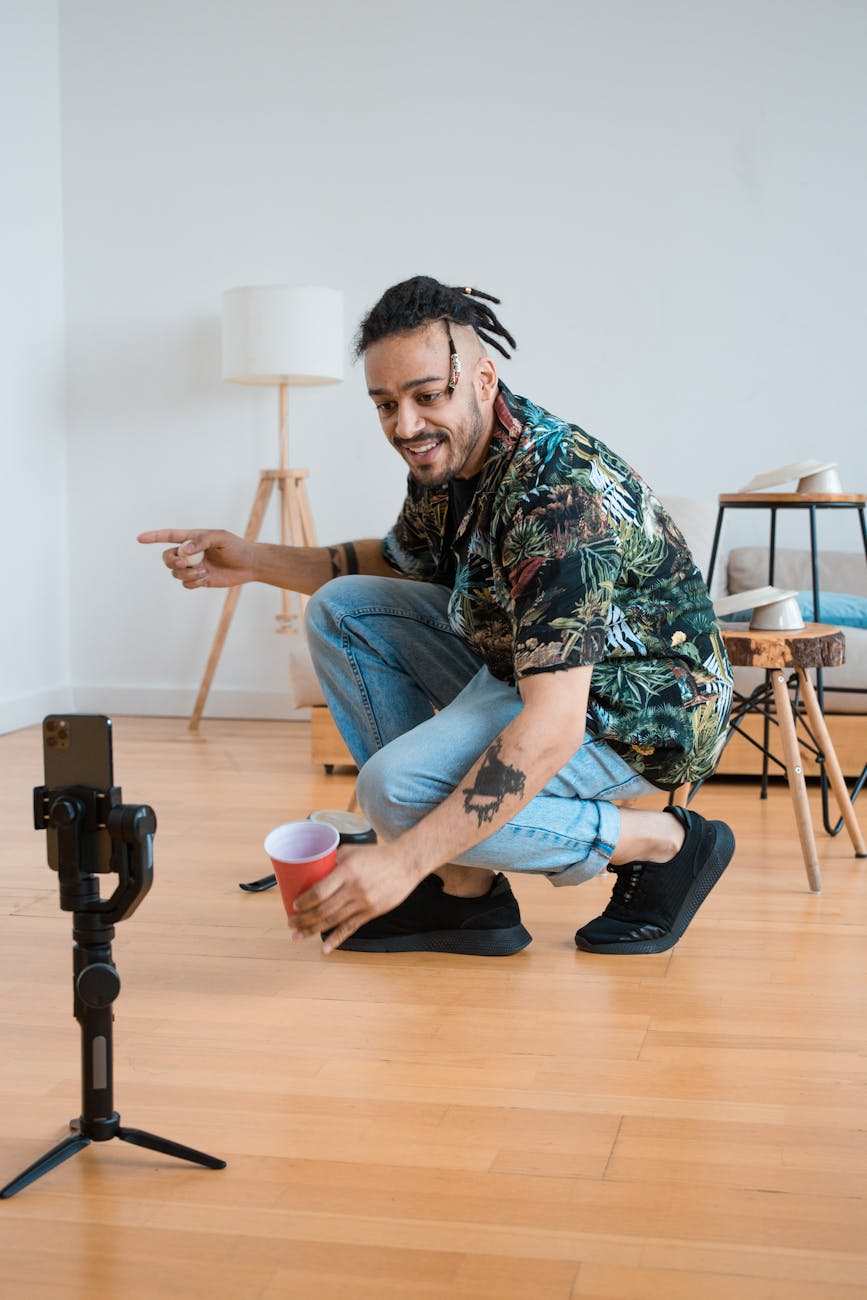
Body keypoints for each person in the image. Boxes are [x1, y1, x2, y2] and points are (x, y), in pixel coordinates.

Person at [139, 275, 734, 959]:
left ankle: (665, 843)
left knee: (394, 793)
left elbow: (553, 724)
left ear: (482, 379)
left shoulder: (554, 496)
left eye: (427, 396)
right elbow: (396, 563)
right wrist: (251, 559)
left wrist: (400, 859)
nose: (405, 426)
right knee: (344, 610)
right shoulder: (450, 458)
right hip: (523, 663)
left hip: (639, 713)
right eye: (385, 404)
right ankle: (463, 892)